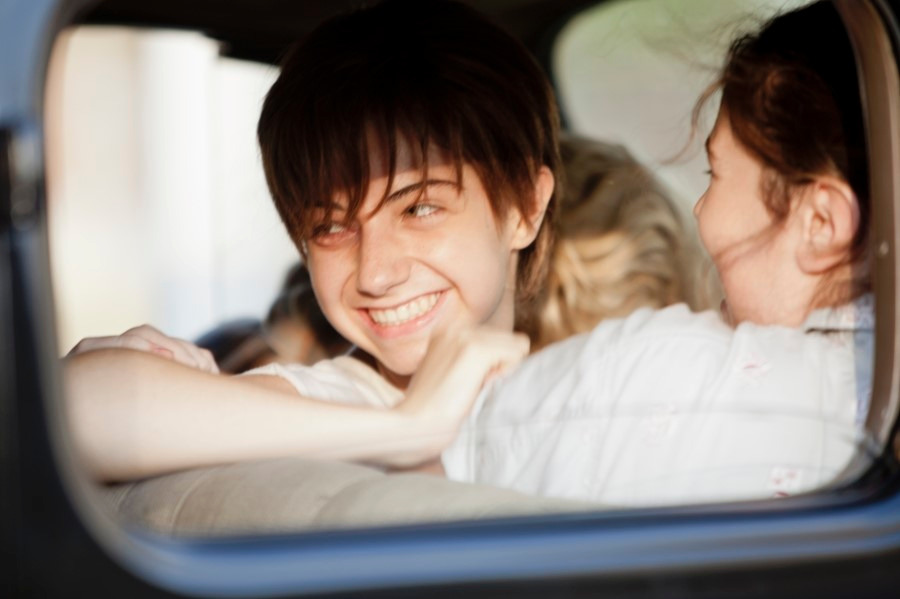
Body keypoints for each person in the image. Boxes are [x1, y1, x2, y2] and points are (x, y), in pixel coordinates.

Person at [64, 0, 558, 482]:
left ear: (526, 207)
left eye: (419, 209)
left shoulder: (579, 388)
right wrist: (409, 430)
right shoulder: (333, 404)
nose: (375, 274)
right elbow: (79, 410)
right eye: (331, 228)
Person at [441, 0, 874, 506]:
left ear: (821, 223)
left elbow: (449, 464)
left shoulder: (656, 374)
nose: (699, 209)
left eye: (715, 173)